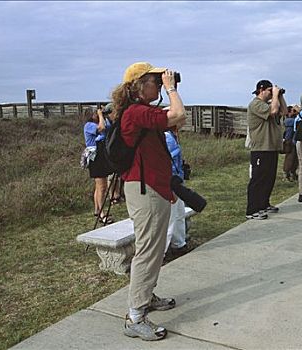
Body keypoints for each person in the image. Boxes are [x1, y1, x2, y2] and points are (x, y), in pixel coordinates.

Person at [110, 61, 186, 341]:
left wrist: (169, 90)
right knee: (148, 251)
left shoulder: (144, 112)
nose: (159, 83)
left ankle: (146, 296)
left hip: (153, 187)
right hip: (144, 190)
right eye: (154, 80)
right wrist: (171, 89)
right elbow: (178, 112)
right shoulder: (135, 112)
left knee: (152, 250)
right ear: (139, 85)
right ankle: (135, 317)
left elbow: (179, 119)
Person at [246, 79, 288, 220]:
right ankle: (252, 210)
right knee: (258, 179)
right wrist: (275, 95)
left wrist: (280, 95)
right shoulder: (255, 104)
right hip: (261, 148)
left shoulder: (269, 103)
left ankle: (263, 204)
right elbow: (273, 111)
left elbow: (284, 111)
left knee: (269, 178)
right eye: (270, 91)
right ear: (261, 89)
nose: (272, 94)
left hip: (271, 148)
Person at [83, 106, 114, 224]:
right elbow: (101, 128)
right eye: (96, 113)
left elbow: (108, 127)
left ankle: (97, 209)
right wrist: (101, 116)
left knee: (99, 186)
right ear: (91, 115)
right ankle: (102, 214)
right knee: (102, 187)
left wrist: (105, 115)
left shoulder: (96, 122)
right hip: (96, 158)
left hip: (101, 156)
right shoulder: (89, 125)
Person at [164, 128, 188, 257]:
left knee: (179, 214)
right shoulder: (167, 137)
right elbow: (167, 162)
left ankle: (179, 244)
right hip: (172, 182)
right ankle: (161, 252)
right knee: (170, 218)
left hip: (177, 181)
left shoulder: (172, 136)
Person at [282, 105, 299, 182]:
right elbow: (297, 122)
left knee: (295, 158)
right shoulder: (288, 120)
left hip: (293, 140)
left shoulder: (293, 120)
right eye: (293, 111)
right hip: (289, 141)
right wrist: (299, 111)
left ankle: (293, 173)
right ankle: (287, 173)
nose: (295, 112)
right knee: (290, 158)